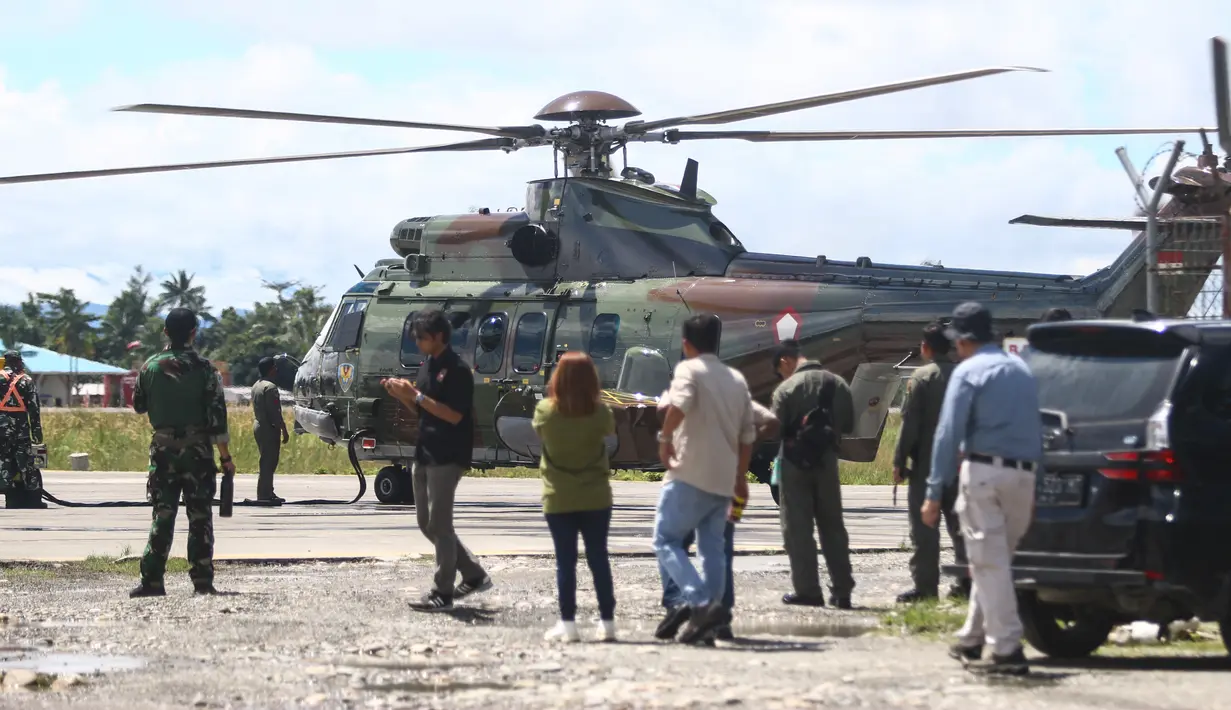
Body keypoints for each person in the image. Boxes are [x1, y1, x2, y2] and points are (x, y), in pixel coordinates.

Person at [924, 301, 1042, 675]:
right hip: (1024, 476)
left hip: (985, 472)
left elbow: (948, 434)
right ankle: (972, 638)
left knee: (988, 562)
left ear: (961, 341)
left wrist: (932, 490)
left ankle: (1007, 650)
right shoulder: (1021, 369)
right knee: (993, 561)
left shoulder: (968, 372)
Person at [653, 313, 756, 644]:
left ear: (686, 344)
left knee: (666, 539)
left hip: (690, 472)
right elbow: (747, 435)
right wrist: (740, 476)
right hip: (724, 476)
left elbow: (679, 405)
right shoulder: (736, 380)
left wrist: (665, 440)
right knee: (713, 549)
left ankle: (697, 601)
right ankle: (709, 621)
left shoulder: (688, 369)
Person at [382, 309, 491, 612]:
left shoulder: (457, 370)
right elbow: (423, 410)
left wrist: (414, 395)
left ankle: (441, 592)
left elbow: (453, 415)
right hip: (425, 450)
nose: (417, 342)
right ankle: (473, 573)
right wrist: (401, 394)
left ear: (439, 336)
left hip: (448, 454)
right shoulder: (427, 367)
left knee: (440, 525)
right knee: (426, 523)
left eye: (421, 337)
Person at [130, 308, 235, 597]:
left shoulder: (150, 367)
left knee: (162, 515)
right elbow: (217, 418)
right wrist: (225, 458)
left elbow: (138, 405)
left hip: (163, 451)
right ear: (193, 333)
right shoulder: (206, 370)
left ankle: (152, 580)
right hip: (198, 452)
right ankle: (202, 581)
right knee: (200, 516)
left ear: (165, 332)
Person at [658, 398, 779, 641]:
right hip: (728, 481)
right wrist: (748, 447)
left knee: (672, 543)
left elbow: (663, 407)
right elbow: (772, 421)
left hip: (688, 480)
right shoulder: (736, 397)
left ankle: (679, 602)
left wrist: (667, 440)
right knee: (720, 550)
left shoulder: (689, 388)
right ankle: (720, 617)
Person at [532, 351, 617, 643]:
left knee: (565, 562)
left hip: (559, 497)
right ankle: (607, 623)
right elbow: (608, 430)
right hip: (596, 496)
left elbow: (541, 435)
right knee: (598, 559)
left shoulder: (545, 411)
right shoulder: (601, 413)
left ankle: (568, 624)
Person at [770, 339, 856, 609]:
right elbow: (850, 424)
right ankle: (842, 591)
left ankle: (808, 591)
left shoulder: (786, 388)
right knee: (833, 526)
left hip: (795, 464)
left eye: (779, 369)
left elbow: (776, 429)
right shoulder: (838, 384)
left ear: (785, 361)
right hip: (827, 462)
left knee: (797, 529)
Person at [893, 322, 969, 603]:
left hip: (928, 465)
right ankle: (966, 583)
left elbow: (910, 424)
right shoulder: (964, 375)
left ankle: (926, 588)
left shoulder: (922, 378)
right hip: (963, 465)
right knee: (962, 528)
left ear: (925, 348)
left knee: (925, 530)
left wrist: (899, 461)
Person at [0, 350, 46, 509]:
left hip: (1, 431)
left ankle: (9, 494)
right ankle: (33, 498)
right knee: (27, 463)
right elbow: (34, 409)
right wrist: (37, 431)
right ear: (19, 362)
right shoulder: (26, 381)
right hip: (21, 430)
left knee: (4, 461)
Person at [250, 357, 288, 504]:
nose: (276, 370)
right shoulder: (271, 387)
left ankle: (266, 491)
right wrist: (283, 429)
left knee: (265, 460)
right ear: (271, 369)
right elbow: (275, 412)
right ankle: (265, 493)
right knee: (269, 461)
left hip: (258, 424)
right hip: (269, 427)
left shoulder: (256, 385)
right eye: (274, 367)